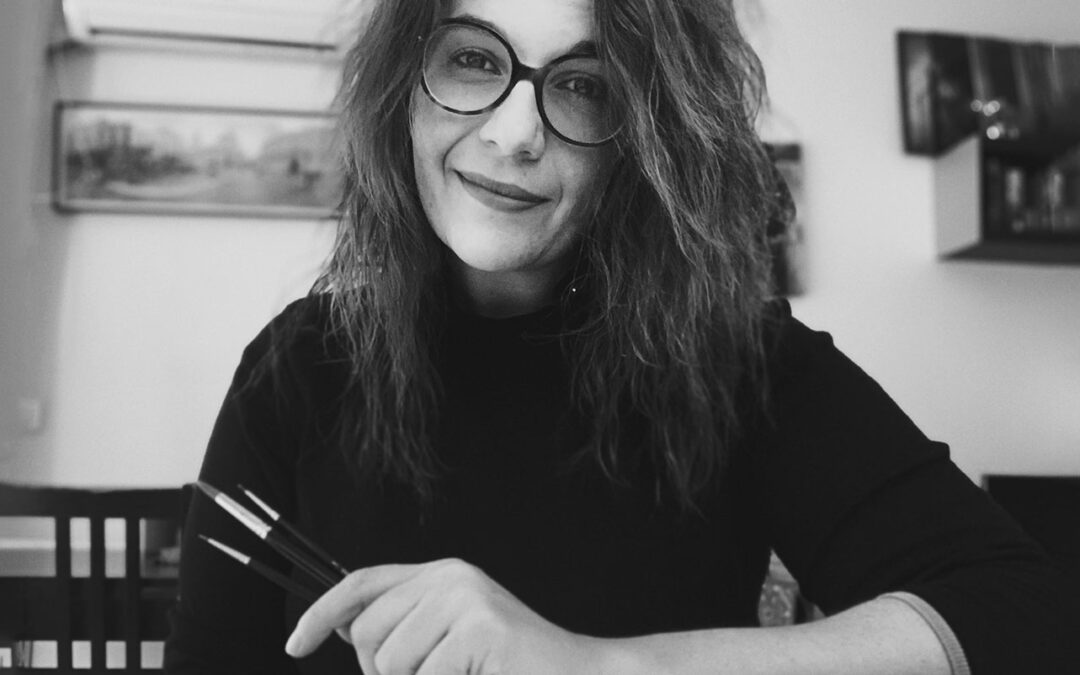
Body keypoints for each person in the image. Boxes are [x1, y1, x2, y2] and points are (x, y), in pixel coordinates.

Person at [164, 0, 1080, 673]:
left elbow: (1028, 617)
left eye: (585, 86)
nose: (516, 133)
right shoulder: (298, 364)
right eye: (473, 60)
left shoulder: (744, 361)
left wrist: (596, 664)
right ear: (401, 91)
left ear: (646, 139)